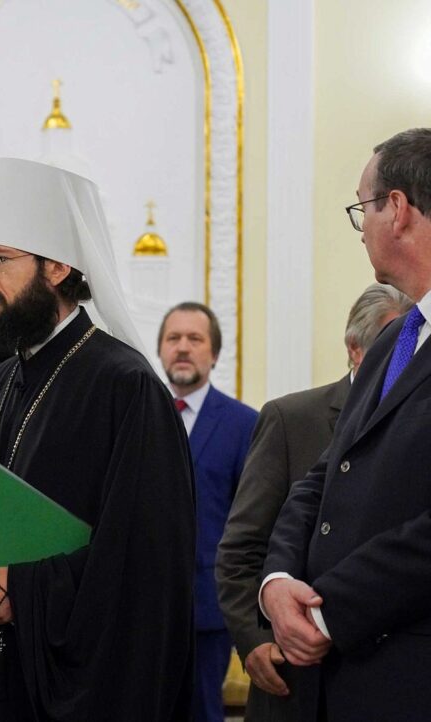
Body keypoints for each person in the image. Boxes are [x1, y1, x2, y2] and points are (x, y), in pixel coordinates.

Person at [0, 158, 196, 721]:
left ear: (56, 268)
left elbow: (142, 569)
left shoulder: (126, 386)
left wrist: (21, 591)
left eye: (0, 259)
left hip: (74, 690)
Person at [261, 128, 431, 721]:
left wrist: (329, 612)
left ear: (399, 210)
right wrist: (278, 580)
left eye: (364, 209)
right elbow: (327, 474)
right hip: (337, 679)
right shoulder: (394, 341)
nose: (362, 230)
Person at [217, 283, 410, 722]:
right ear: (356, 349)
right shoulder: (292, 419)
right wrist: (254, 641)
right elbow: (242, 547)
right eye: (391, 343)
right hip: (295, 678)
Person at [158, 301, 258, 722]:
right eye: (173, 339)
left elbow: (252, 521)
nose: (183, 348)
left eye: (194, 339)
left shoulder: (245, 424)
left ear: (214, 353)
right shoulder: (140, 414)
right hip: (145, 609)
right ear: (160, 350)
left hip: (208, 610)